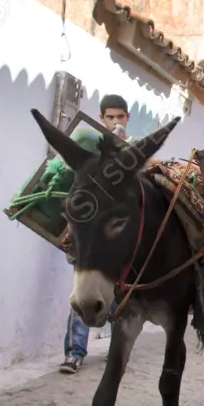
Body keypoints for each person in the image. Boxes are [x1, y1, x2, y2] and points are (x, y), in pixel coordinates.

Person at [58, 94, 130, 373]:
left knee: (118, 298)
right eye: (110, 117)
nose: (115, 122)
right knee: (83, 294)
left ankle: (117, 350)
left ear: (127, 118)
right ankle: (74, 353)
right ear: (102, 119)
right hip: (88, 239)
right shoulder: (89, 149)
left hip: (115, 241)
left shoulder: (133, 149)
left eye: (120, 116)